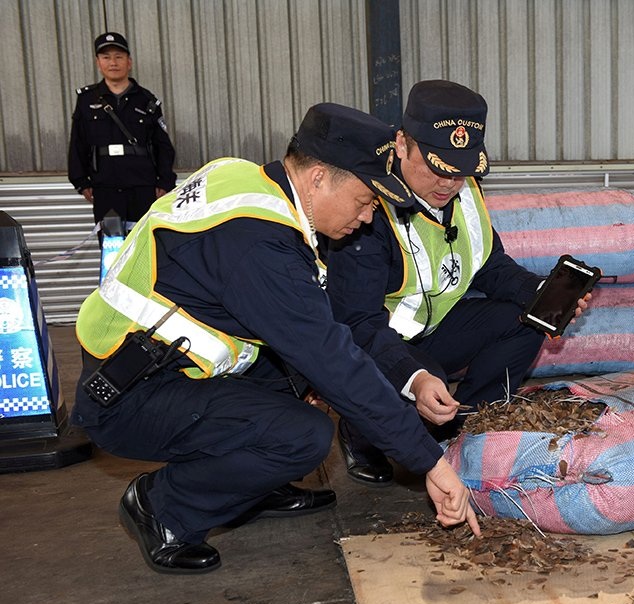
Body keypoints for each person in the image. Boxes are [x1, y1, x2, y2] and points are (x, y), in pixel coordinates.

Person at [70, 103, 480, 575]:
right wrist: (431, 461)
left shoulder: (249, 180)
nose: (368, 218)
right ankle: (163, 508)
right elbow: (332, 359)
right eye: (366, 201)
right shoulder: (258, 245)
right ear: (319, 178)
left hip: (153, 365)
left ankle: (253, 486)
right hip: (127, 395)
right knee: (304, 436)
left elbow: (327, 330)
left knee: (299, 375)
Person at [326, 80, 588, 486]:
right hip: (375, 342)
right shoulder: (367, 207)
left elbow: (489, 265)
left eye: (460, 170)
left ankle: (471, 425)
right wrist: (414, 378)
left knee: (524, 319)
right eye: (436, 167)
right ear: (401, 143)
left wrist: (541, 294)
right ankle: (362, 434)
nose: (449, 183)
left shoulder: (464, 193)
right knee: (416, 389)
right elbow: (356, 324)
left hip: (434, 329)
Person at [67, 32, 176, 236]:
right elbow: (78, 143)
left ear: (129, 62)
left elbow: (162, 144)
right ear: (98, 63)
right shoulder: (86, 100)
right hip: (105, 186)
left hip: (142, 186)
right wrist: (81, 181)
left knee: (144, 246)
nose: (113, 62)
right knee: (112, 249)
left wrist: (164, 182)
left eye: (118, 56)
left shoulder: (147, 100)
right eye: (106, 57)